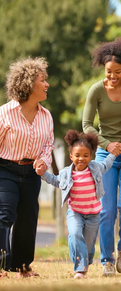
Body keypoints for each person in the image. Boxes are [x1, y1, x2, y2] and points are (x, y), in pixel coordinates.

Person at [82, 37, 121, 276]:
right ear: (103, 68)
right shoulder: (96, 90)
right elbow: (87, 124)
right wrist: (107, 143)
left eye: (118, 71)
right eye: (109, 72)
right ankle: (106, 259)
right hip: (105, 155)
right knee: (106, 211)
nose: (113, 76)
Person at [0, 57, 54, 278]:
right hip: (6, 169)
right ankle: (1, 263)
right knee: (4, 214)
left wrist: (43, 161)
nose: (47, 84)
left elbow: (48, 145)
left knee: (27, 218)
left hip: (31, 172)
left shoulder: (46, 115)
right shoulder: (4, 113)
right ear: (29, 84)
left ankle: (22, 266)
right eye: (43, 80)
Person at [41, 130, 120, 279]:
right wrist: (43, 173)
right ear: (71, 156)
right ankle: (80, 269)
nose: (81, 159)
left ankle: (86, 260)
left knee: (88, 246)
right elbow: (54, 180)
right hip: (75, 212)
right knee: (75, 234)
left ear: (90, 156)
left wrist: (114, 154)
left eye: (85, 156)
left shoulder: (95, 168)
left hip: (93, 215)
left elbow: (107, 164)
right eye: (77, 156)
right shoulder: (66, 173)